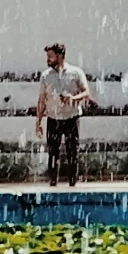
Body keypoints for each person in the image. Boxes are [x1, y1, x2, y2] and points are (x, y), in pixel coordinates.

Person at [32, 43, 93, 186]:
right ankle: (53, 182)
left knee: (73, 152)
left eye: (50, 56)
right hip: (53, 118)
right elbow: (42, 99)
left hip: (72, 117)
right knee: (53, 152)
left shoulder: (75, 72)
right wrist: (39, 121)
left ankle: (73, 182)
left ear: (59, 56)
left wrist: (73, 98)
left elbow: (87, 92)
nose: (48, 59)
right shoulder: (46, 76)